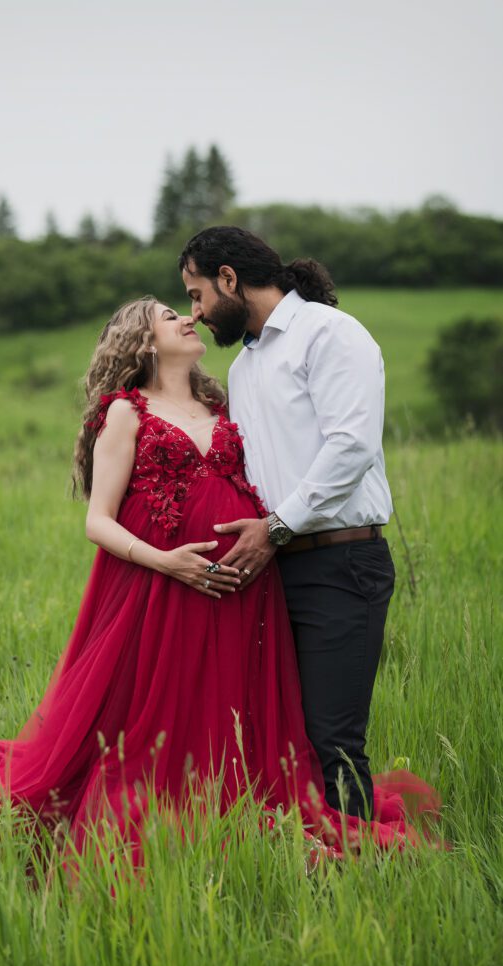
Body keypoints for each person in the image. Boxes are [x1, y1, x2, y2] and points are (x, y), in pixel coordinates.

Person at [0, 297, 437, 859]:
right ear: (142, 341)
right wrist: (167, 561)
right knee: (161, 719)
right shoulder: (126, 411)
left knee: (235, 712)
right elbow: (98, 520)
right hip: (165, 590)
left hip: (244, 592)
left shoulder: (223, 405)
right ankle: (176, 809)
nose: (188, 317)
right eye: (171, 315)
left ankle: (245, 803)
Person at [180, 226, 397, 819]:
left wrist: (274, 528)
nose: (195, 314)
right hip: (273, 571)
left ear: (230, 278)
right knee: (283, 736)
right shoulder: (244, 368)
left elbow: (351, 447)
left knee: (333, 740)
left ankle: (357, 863)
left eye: (198, 295)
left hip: (341, 565)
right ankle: (302, 859)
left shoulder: (329, 334)